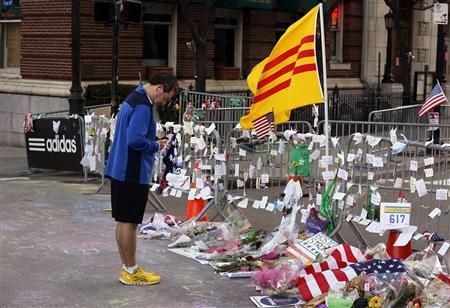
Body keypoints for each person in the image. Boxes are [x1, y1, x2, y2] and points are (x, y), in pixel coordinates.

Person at [105, 73, 178, 285]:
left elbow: (133, 135)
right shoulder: (143, 106)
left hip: (121, 169)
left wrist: (151, 140)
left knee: (123, 221)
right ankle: (131, 270)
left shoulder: (132, 98)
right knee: (130, 222)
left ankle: (128, 268)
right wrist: (156, 145)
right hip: (132, 172)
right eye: (166, 97)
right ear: (158, 88)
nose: (164, 102)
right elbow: (135, 140)